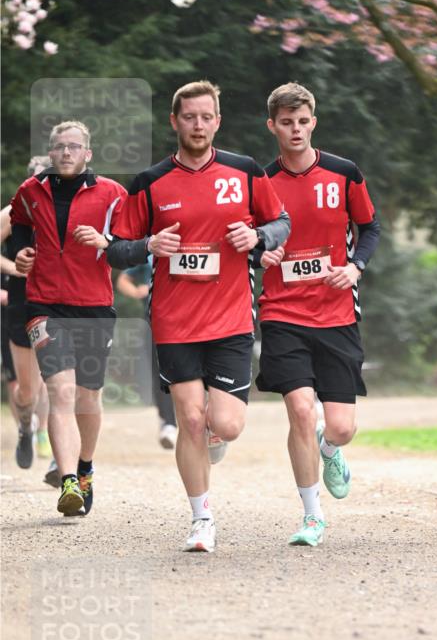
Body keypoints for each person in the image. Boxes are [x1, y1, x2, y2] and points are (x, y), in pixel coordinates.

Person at [97, 80, 289, 554]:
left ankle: (214, 438)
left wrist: (259, 238)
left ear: (217, 121)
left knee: (226, 424)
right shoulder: (150, 182)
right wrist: (148, 245)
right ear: (175, 121)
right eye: (189, 117)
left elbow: (281, 221)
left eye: (206, 117)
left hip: (230, 317)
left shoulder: (244, 171)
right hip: (173, 318)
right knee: (188, 416)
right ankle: (201, 519)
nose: (198, 125)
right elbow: (115, 250)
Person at [255, 82, 380, 547]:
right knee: (300, 411)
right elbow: (248, 242)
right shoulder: (259, 183)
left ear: (314, 121)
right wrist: (259, 256)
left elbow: (369, 227)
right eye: (286, 122)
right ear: (272, 126)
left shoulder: (344, 173)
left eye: (302, 121)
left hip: (337, 313)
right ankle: (312, 515)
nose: (295, 129)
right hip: (282, 312)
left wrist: (354, 267)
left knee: (342, 426)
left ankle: (331, 450)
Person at [10, 123, 127, 516]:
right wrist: (24, 255)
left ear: (87, 154)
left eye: (73, 147)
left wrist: (105, 242)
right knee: (60, 392)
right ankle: (67, 482)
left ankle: (86, 466)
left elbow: (131, 247)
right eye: (59, 147)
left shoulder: (113, 195)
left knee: (87, 397)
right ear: (51, 152)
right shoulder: (30, 192)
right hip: (45, 305)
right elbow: (22, 236)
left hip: (94, 305)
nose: (65, 153)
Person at [1, 156, 53, 471]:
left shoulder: (69, 209)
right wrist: (16, 270)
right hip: (22, 304)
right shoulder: (12, 213)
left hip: (60, 304)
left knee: (60, 382)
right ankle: (26, 425)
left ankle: (63, 464)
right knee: (28, 390)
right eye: (38, 180)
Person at [116, 258, 178, 449]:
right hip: (155, 320)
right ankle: (168, 422)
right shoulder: (149, 252)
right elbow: (122, 280)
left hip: (188, 318)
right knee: (161, 372)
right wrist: (136, 291)